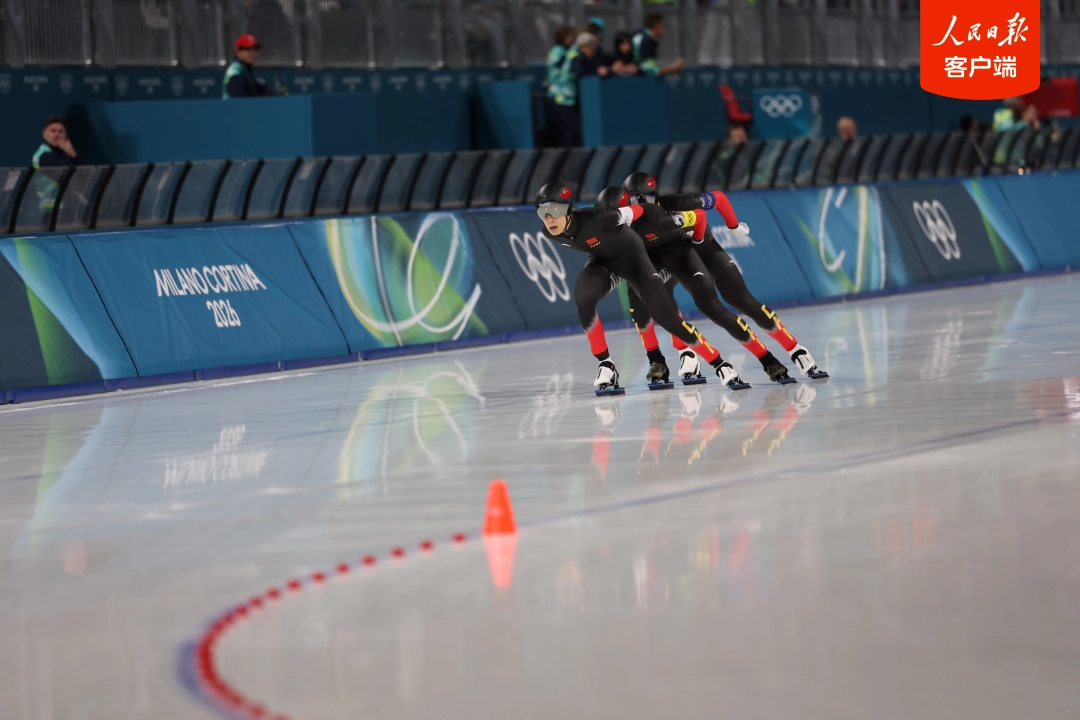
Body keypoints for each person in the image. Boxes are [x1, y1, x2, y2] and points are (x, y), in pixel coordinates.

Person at [534, 182, 750, 393]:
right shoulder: (549, 232)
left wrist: (644, 216)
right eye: (543, 212)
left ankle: (719, 363)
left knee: (666, 318)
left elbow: (640, 210)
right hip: (602, 262)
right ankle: (606, 365)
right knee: (584, 297)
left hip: (635, 262)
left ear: (569, 208)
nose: (549, 218)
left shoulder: (600, 218)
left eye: (555, 210)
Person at [622, 172, 829, 379]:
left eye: (644, 199)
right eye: (634, 200)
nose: (640, 205)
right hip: (672, 257)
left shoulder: (678, 204)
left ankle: (795, 349)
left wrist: (733, 225)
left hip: (702, 248)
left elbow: (718, 199)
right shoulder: (627, 219)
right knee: (643, 293)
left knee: (740, 299)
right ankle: (677, 355)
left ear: (656, 196)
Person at [595, 186, 793, 385]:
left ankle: (692, 353)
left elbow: (702, 213)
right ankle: (659, 359)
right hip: (657, 259)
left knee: (712, 307)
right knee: (638, 296)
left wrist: (715, 233)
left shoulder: (664, 212)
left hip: (682, 256)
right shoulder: (611, 228)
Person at [551, 33, 609, 147]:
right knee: (571, 132)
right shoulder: (574, 55)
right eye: (592, 50)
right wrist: (596, 72)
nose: (594, 53)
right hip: (562, 99)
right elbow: (578, 71)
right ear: (583, 47)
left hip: (568, 100)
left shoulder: (577, 55)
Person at [223, 34, 272, 99]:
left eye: (255, 49)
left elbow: (260, 90)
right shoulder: (236, 73)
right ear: (238, 51)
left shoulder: (244, 70)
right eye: (248, 49)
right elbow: (240, 102)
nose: (252, 53)